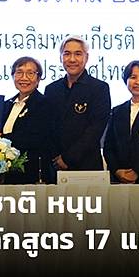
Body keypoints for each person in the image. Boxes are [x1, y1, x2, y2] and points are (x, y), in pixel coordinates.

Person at [44, 36, 111, 183]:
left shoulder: (99, 88)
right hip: (55, 166)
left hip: (87, 165)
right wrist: (56, 157)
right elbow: (47, 127)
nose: (72, 59)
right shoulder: (51, 89)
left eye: (78, 54)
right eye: (67, 54)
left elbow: (95, 129)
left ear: (86, 58)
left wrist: (67, 158)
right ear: (61, 58)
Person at [0, 56, 50, 184]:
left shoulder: (45, 104)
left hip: (31, 174)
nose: (24, 78)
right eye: (19, 72)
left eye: (30, 73)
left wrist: (1, 138)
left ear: (38, 78)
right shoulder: (6, 105)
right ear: (13, 76)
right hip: (4, 174)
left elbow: (37, 137)